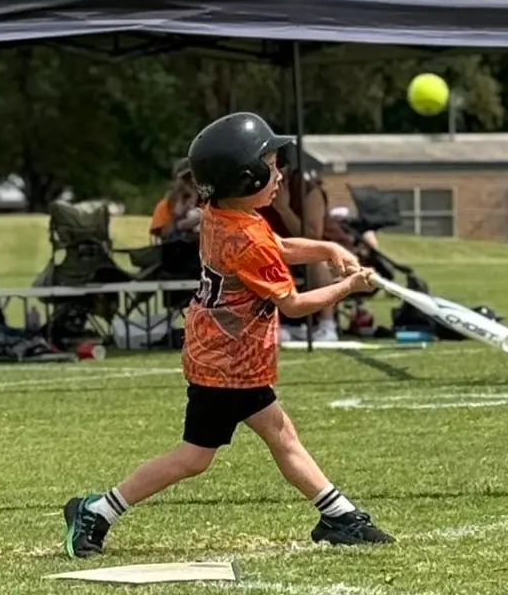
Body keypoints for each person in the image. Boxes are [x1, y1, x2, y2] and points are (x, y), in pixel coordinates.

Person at [61, 112, 394, 558]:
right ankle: (96, 511)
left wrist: (329, 248)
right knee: (193, 458)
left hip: (231, 358)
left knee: (281, 435)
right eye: (271, 167)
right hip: (226, 365)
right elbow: (293, 304)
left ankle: (340, 516)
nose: (280, 174)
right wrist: (348, 287)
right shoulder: (245, 238)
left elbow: (280, 247)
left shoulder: (228, 215)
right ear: (245, 177)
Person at [258, 148, 348, 342]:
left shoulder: (308, 191)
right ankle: (274, 324)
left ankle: (327, 326)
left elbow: (313, 237)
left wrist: (284, 209)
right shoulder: (256, 191)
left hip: (330, 255)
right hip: (283, 253)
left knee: (315, 259)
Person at [148, 158, 202, 242]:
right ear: (176, 181)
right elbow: (163, 235)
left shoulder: (207, 202)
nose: (190, 182)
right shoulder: (166, 205)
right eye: (186, 179)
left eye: (194, 178)